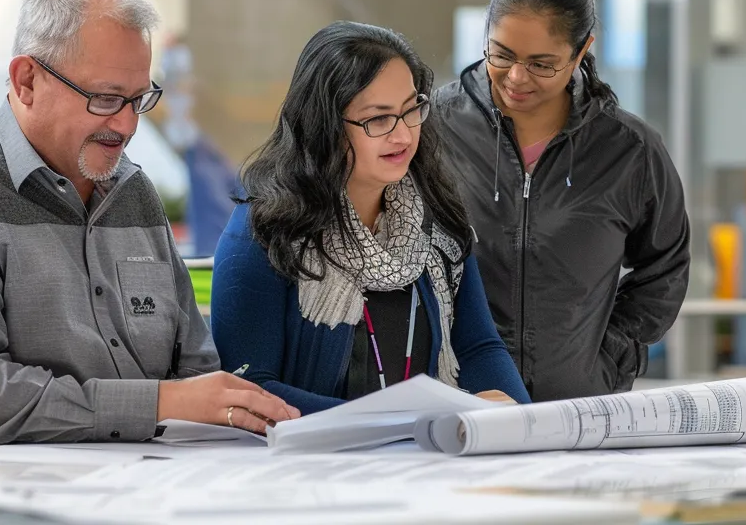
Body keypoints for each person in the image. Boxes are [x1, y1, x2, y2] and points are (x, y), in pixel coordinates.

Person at [0, 0, 299, 443]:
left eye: (138, 99)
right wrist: (159, 403)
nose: (125, 125)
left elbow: (194, 368)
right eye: (104, 99)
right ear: (27, 80)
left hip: (141, 485)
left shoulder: (133, 192)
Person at [213, 22, 530, 414]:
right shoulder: (263, 229)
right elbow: (249, 388)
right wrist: (399, 422)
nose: (402, 136)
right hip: (310, 467)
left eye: (411, 110)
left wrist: (517, 417)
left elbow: (479, 347)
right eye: (378, 119)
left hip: (425, 458)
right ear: (324, 124)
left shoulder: (438, 219)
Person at [435, 0, 690, 401]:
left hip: (577, 411)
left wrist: (607, 358)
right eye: (502, 53)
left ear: (582, 50)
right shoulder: (433, 128)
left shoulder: (629, 151)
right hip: (456, 405)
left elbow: (665, 266)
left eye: (541, 64)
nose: (516, 77)